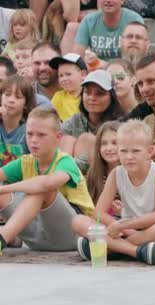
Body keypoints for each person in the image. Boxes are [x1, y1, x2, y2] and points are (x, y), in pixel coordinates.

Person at [71, 119, 155, 265]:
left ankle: (109, 248)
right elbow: (98, 212)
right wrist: (119, 227)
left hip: (152, 229)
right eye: (123, 151)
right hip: (126, 231)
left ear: (149, 152)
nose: (129, 156)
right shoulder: (116, 173)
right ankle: (137, 251)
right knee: (78, 220)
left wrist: (122, 226)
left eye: (136, 151)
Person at [0, 107, 95, 255]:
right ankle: (11, 236)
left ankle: (3, 239)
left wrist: (4, 188)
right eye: (30, 134)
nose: (33, 140)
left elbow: (47, 183)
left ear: (58, 137)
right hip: (36, 239)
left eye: (41, 135)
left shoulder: (65, 161)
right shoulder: (25, 161)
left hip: (70, 236)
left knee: (42, 189)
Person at [60, 69, 123, 172]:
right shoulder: (74, 121)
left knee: (87, 139)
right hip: (73, 176)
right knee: (67, 139)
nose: (92, 98)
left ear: (112, 97)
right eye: (87, 92)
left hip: (105, 177)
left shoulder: (120, 124)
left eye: (99, 94)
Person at [72, 0, 144, 60]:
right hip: (96, 73)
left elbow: (135, 61)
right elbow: (77, 57)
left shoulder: (134, 20)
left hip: (125, 73)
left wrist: (105, 66)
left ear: (122, 1)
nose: (108, 1)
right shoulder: (89, 21)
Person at [0, 75, 37, 166]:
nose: (11, 100)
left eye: (18, 97)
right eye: (7, 95)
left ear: (26, 104)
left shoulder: (29, 129)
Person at [86, 121, 121, 206]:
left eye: (115, 143)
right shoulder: (94, 172)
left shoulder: (132, 172)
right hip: (100, 217)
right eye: (104, 144)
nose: (109, 148)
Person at [49, 53, 88, 121]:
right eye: (61, 75)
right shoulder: (58, 97)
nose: (64, 79)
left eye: (68, 74)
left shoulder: (88, 96)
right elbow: (50, 116)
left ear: (83, 74)